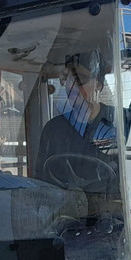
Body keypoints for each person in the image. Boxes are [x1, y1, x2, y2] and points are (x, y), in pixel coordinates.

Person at [35, 51, 118, 198]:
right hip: (65, 207)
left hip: (113, 207)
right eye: (68, 79)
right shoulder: (53, 129)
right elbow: (41, 181)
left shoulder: (120, 122)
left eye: (81, 79)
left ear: (98, 85)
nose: (72, 86)